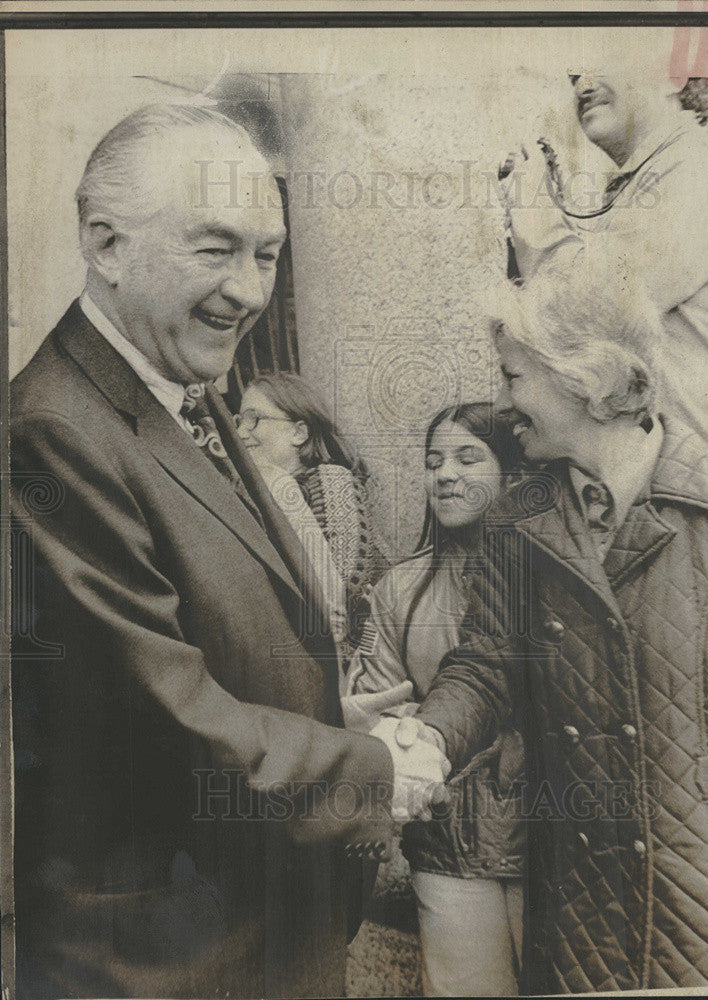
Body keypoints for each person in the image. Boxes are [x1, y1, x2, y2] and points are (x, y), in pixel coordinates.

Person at [9, 103, 447, 1000]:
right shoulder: (51, 432)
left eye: (267, 253)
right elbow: (155, 719)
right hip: (162, 961)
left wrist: (326, 709)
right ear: (106, 245)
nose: (249, 291)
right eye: (214, 249)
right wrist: (374, 770)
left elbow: (212, 625)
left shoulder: (178, 382)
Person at [404, 271, 708, 992]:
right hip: (577, 912)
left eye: (514, 375)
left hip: (701, 914)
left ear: (589, 379)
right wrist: (427, 739)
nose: (504, 400)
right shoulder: (519, 515)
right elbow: (485, 662)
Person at [341, 403, 525, 996]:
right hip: (447, 836)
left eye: (468, 458)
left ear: (511, 471)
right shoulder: (399, 587)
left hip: (545, 831)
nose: (445, 474)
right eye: (433, 461)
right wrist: (407, 739)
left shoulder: (548, 575)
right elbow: (377, 700)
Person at [500, 63, 708, 446]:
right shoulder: (649, 177)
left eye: (602, 64)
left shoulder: (699, 165)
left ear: (672, 73)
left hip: (696, 483)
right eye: (574, 77)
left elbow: (589, 309)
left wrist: (531, 203)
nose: (583, 86)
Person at [238, 372, 388, 653]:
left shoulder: (332, 482)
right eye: (239, 421)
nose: (241, 432)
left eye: (254, 419)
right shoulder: (269, 493)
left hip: (351, 660)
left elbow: (336, 595)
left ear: (299, 432)